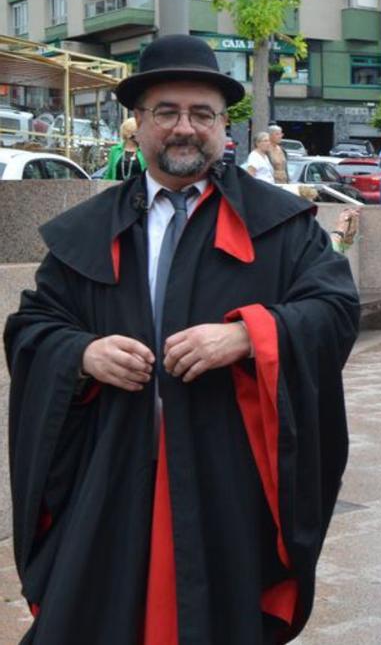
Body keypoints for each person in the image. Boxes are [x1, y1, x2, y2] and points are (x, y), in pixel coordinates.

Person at [4, 34, 359, 644]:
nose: (184, 128)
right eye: (166, 112)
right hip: (112, 470)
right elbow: (32, 328)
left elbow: (333, 309)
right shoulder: (86, 231)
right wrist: (84, 354)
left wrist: (250, 336)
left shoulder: (283, 224)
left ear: (226, 127)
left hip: (228, 474)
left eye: (202, 114)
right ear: (138, 123)